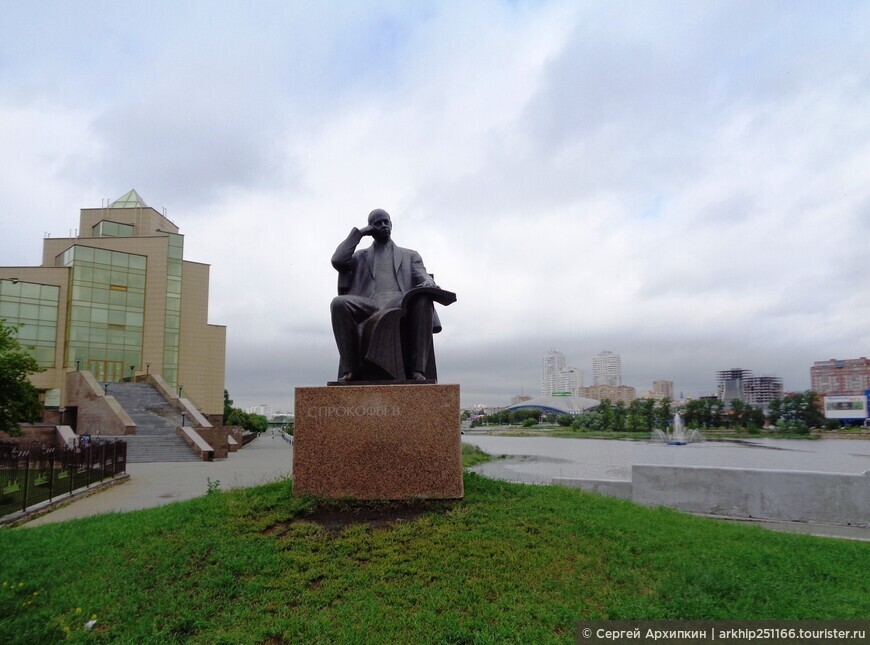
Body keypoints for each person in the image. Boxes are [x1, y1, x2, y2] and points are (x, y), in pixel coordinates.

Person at [330, 208, 442, 383]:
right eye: (378, 223)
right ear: (371, 228)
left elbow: (422, 275)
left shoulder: (410, 255)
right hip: (369, 304)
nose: (383, 225)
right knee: (338, 303)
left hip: (402, 303)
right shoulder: (360, 256)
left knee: (423, 298)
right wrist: (359, 234)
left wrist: (428, 282)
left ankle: (417, 370)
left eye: (386, 222)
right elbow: (337, 260)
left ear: (391, 224)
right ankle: (351, 371)